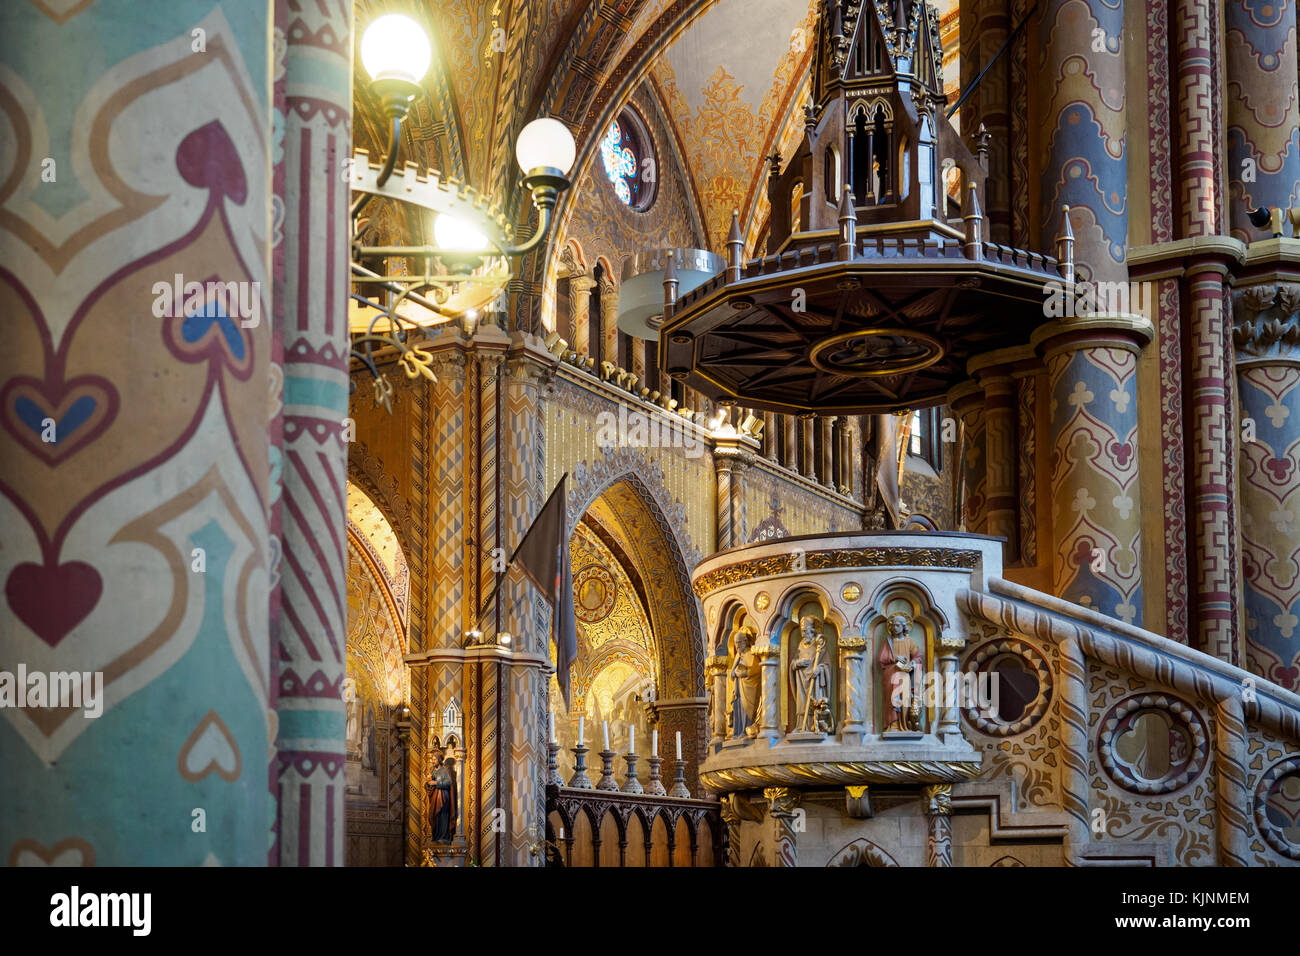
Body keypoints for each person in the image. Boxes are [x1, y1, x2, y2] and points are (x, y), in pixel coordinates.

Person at [426, 749, 457, 843]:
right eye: (432, 759)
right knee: (434, 815)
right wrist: (428, 783)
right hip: (435, 797)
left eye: (434, 759)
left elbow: (448, 783)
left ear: (439, 760)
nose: (432, 761)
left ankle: (443, 836)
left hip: (443, 797)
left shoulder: (444, 770)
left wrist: (435, 782)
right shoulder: (432, 771)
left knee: (442, 815)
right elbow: (429, 785)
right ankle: (436, 836)